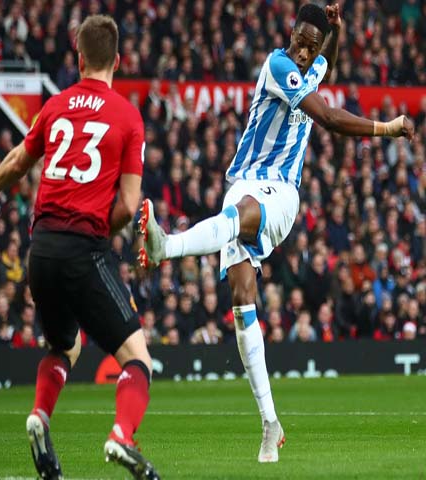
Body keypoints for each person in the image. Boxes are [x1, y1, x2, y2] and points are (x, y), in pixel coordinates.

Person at [138, 3, 414, 464]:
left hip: (281, 191)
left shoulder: (312, 61)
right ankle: (270, 423)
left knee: (244, 213)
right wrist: (388, 127)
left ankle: (168, 246)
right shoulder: (278, 64)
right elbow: (326, 116)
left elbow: (328, 65)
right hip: (243, 182)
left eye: (313, 45)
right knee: (242, 302)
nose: (306, 52)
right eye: (302, 41)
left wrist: (336, 35)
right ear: (291, 33)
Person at [0, 15, 159, 480]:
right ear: (118, 60)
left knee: (64, 346)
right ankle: (122, 437)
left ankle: (40, 416)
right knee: (137, 358)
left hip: (40, 250)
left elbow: (18, 160)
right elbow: (129, 206)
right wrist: (100, 236)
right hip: (82, 249)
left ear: (78, 57)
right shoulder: (128, 116)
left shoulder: (55, 106)